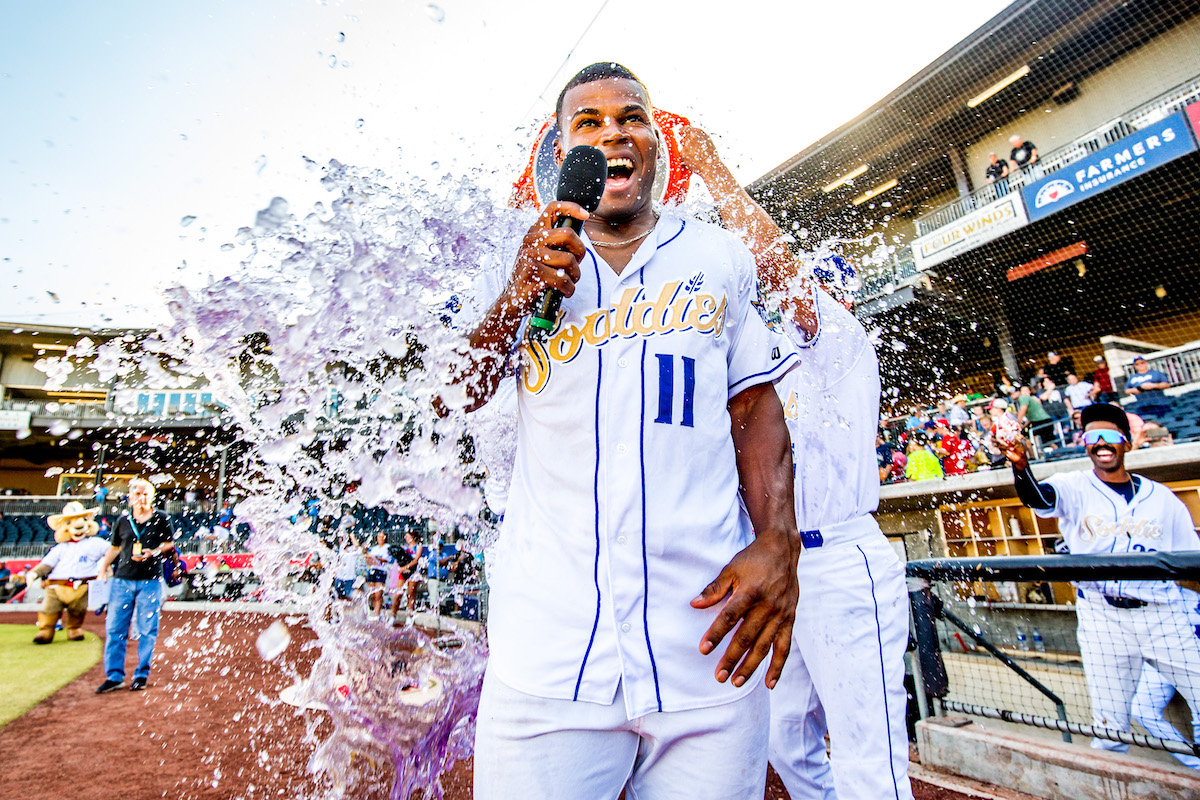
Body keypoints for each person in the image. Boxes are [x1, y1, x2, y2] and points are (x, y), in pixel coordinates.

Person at [458, 63, 801, 800]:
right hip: (549, 655)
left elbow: (755, 410)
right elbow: (453, 393)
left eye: (632, 116)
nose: (613, 130)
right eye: (588, 122)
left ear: (654, 141)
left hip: (708, 639)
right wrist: (516, 297)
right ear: (560, 148)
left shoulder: (718, 255)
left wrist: (780, 539)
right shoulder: (508, 258)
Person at [676, 123, 913, 800]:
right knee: (784, 739)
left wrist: (715, 173)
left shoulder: (839, 340)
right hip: (783, 568)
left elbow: (780, 272)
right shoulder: (761, 362)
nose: (792, 300)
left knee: (869, 755)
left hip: (840, 558)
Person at [999, 403, 1200, 754]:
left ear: (1127, 444)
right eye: (1094, 436)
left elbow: (1191, 563)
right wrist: (1021, 466)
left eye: (1111, 436)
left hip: (1163, 614)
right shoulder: (1074, 486)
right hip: (1102, 617)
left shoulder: (1163, 500)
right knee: (1110, 728)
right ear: (1085, 444)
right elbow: (1038, 497)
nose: (1102, 443)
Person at [94, 478, 176, 693]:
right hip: (122, 581)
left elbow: (169, 544)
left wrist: (154, 552)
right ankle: (114, 676)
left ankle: (141, 674)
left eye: (146, 493)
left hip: (150, 581)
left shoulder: (161, 518)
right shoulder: (122, 521)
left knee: (148, 630)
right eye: (137, 493)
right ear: (130, 497)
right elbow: (115, 547)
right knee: (115, 629)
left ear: (152, 496)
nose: (142, 497)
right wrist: (103, 568)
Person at [1124, 356, 1172, 420]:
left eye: (1142, 363)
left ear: (1146, 363)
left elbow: (1167, 384)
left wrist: (1153, 385)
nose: (1140, 365)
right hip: (1143, 405)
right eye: (1137, 364)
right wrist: (1139, 388)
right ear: (1134, 366)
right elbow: (1127, 390)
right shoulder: (1132, 377)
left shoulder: (1156, 373)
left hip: (1160, 404)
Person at [364, 530, 393, 618]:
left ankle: (377, 614)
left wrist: (375, 558)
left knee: (378, 594)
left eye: (382, 537)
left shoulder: (387, 547)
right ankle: (375, 613)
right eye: (379, 537)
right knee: (372, 595)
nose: (380, 538)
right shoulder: (374, 548)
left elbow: (386, 560)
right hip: (372, 570)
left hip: (381, 571)